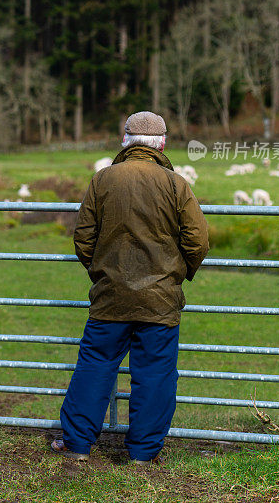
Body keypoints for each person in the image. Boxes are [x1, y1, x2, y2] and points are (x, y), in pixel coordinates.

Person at [51, 111, 209, 464]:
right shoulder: (176, 184)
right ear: (162, 142)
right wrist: (175, 276)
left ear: (125, 139)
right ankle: (143, 453)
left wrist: (103, 274)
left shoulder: (102, 179)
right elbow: (198, 241)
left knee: (94, 365)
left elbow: (84, 238)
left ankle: (76, 445)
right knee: (154, 373)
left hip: (110, 297)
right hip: (160, 301)